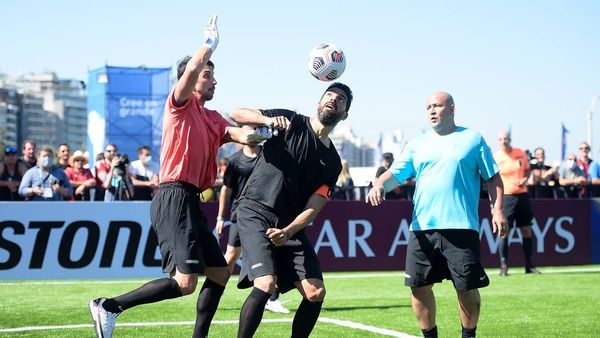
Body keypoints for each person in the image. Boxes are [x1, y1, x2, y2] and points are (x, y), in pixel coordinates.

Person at [88, 14, 268, 338]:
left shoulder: (213, 118)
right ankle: (109, 305)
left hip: (190, 201)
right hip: (172, 195)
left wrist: (267, 132)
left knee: (218, 273)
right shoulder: (179, 104)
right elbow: (192, 70)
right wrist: (208, 46)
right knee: (185, 283)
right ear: (194, 76)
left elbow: (244, 136)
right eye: (209, 75)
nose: (214, 81)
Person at [366, 92, 506, 338]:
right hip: (422, 229)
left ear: (452, 108)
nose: (431, 110)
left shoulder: (472, 139)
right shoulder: (417, 143)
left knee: (466, 287)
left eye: (437, 106)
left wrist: (497, 210)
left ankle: (468, 335)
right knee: (418, 287)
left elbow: (493, 177)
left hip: (462, 227)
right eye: (428, 107)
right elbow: (395, 174)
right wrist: (379, 184)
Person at [228, 81, 353, 338]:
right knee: (266, 283)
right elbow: (236, 114)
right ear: (318, 103)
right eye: (329, 95)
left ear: (345, 113)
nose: (333, 99)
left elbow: (315, 205)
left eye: (340, 99)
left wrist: (289, 230)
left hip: (289, 225)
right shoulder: (291, 121)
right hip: (255, 210)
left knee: (315, 292)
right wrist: (266, 120)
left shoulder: (332, 162)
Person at [494, 132, 540, 275]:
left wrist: (525, 180)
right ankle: (503, 266)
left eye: (505, 139)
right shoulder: (497, 156)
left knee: (526, 229)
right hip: (507, 197)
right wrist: (494, 204)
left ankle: (529, 266)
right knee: (504, 231)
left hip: (522, 196)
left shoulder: (520, 152)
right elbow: (492, 179)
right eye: (500, 139)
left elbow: (527, 170)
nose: (503, 141)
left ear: (510, 140)